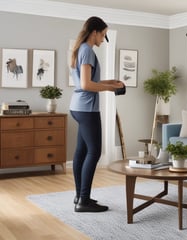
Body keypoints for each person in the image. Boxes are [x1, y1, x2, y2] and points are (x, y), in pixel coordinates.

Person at [70, 16, 125, 212]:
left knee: (81, 152)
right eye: (103, 35)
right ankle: (84, 200)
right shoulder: (87, 51)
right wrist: (110, 89)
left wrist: (111, 82)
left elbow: (87, 81)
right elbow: (86, 85)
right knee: (94, 152)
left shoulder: (81, 50)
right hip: (87, 109)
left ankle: (80, 197)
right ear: (95, 32)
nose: (103, 39)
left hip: (78, 107)